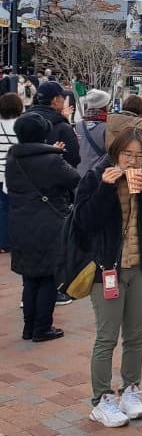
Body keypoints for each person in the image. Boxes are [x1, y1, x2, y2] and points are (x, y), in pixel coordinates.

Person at [73, 124, 142, 428]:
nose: (133, 161)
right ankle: (101, 400)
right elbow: (84, 221)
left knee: (135, 334)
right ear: (116, 152)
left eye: (140, 156)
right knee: (107, 337)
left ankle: (130, 390)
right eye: (127, 154)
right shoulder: (96, 174)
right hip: (107, 269)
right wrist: (105, 188)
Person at [7, 111, 80, 342]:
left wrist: (51, 152)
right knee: (48, 277)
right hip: (49, 224)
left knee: (29, 278)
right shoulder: (52, 160)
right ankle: (42, 328)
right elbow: (74, 178)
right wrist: (55, 152)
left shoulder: (13, 158)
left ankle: (29, 328)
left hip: (20, 223)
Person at [32, 81, 80, 167]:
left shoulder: (23, 120)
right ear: (56, 100)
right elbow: (73, 159)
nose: (64, 101)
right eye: (63, 97)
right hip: (54, 172)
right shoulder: (62, 127)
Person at [0, 91, 23, 254]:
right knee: (15, 207)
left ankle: (3, 242)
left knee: (2, 208)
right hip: (15, 172)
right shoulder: (21, 125)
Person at [76, 89, 111, 176]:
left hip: (80, 173)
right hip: (99, 174)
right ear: (104, 106)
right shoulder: (108, 127)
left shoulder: (78, 125)